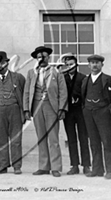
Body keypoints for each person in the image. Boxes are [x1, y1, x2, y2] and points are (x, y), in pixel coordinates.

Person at [23, 46, 67, 177]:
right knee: (41, 137)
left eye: (44, 57)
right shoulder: (31, 73)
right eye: (39, 57)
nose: (42, 59)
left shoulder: (56, 72)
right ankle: (43, 166)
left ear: (48, 58)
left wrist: (62, 108)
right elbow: (26, 91)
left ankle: (55, 167)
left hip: (51, 106)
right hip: (36, 106)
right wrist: (26, 109)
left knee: (53, 138)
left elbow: (63, 91)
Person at [0, 51, 25, 175]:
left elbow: (24, 94)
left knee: (16, 139)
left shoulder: (18, 77)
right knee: (1, 140)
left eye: (1, 63)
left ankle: (17, 166)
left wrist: (24, 112)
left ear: (6, 63)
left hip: (14, 109)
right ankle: (3, 165)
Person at [82, 54, 111, 180]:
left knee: (107, 142)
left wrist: (109, 110)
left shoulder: (109, 79)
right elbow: (83, 96)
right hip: (89, 113)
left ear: (102, 65)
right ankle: (97, 169)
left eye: (97, 63)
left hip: (103, 114)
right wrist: (85, 109)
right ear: (89, 65)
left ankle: (110, 171)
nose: (95, 65)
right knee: (94, 142)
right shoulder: (85, 80)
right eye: (92, 63)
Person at [61, 55, 91, 175]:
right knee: (71, 139)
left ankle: (86, 165)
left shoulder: (83, 78)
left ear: (76, 65)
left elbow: (87, 94)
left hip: (80, 111)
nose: (70, 67)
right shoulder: (62, 78)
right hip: (68, 112)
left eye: (72, 64)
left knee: (83, 138)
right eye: (67, 65)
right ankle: (74, 165)